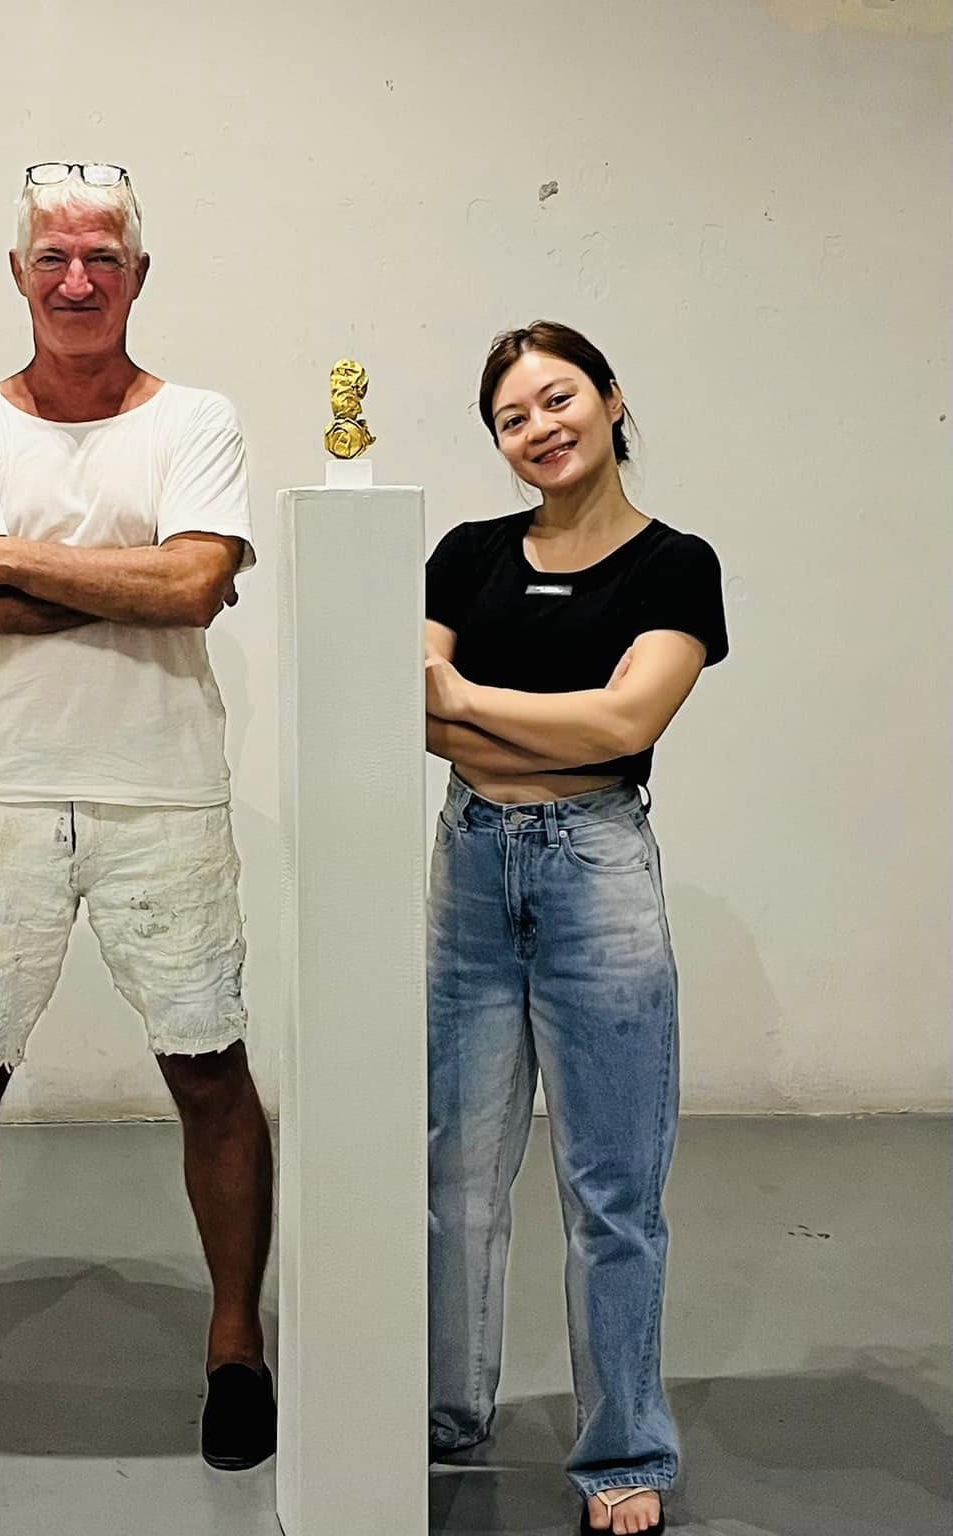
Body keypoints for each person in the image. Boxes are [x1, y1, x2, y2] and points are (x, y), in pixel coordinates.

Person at [0, 162, 273, 1470]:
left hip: (164, 786)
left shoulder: (198, 418)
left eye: (101, 256)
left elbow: (191, 591)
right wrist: (145, 574)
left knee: (207, 1070)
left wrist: (9, 556)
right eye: (53, 256)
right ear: (18, 273)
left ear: (137, 275)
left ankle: (234, 1343)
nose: (76, 279)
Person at [424, 322, 729, 1534]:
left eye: (556, 400)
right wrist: (530, 718)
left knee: (611, 1188)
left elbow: (623, 724)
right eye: (511, 418)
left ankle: (623, 1452)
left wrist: (470, 699)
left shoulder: (673, 565)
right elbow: (414, 715)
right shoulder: (464, 554)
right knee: (454, 1172)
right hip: (468, 864)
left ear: (608, 399)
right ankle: (444, 1411)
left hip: (594, 872)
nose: (537, 429)